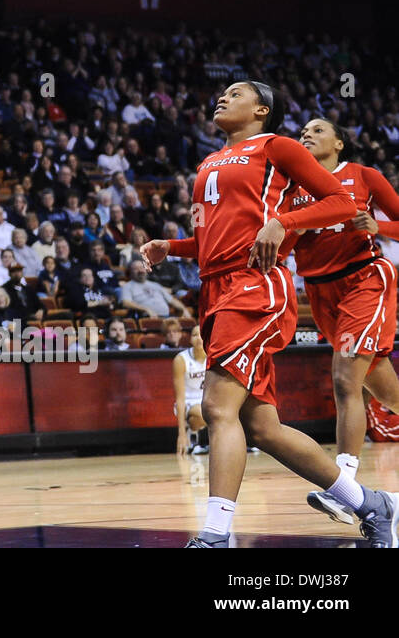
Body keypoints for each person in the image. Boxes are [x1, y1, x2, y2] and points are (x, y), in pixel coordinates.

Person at [143, 80, 395, 547]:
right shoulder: (207, 162)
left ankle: (216, 534)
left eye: (236, 93)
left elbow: (339, 201)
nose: (222, 96)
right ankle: (371, 505)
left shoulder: (275, 146)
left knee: (217, 407)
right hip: (214, 289)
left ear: (261, 110)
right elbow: (214, 239)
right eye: (221, 92)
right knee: (262, 427)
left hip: (254, 286)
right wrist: (173, 247)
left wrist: (285, 221)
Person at [292, 117, 399, 525]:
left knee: (343, 378)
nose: (306, 134)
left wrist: (380, 226)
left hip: (364, 279)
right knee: (382, 387)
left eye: (317, 130)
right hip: (319, 290)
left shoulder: (363, 175)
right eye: (302, 131)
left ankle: (345, 488)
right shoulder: (292, 186)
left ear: (338, 143)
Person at [174, 325, 208, 455]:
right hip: (188, 402)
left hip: (206, 400)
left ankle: (196, 437)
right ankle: (188, 433)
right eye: (194, 335)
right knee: (204, 412)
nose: (199, 338)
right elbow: (180, 398)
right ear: (190, 339)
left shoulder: (213, 357)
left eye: (201, 335)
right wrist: (181, 434)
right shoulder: (181, 359)